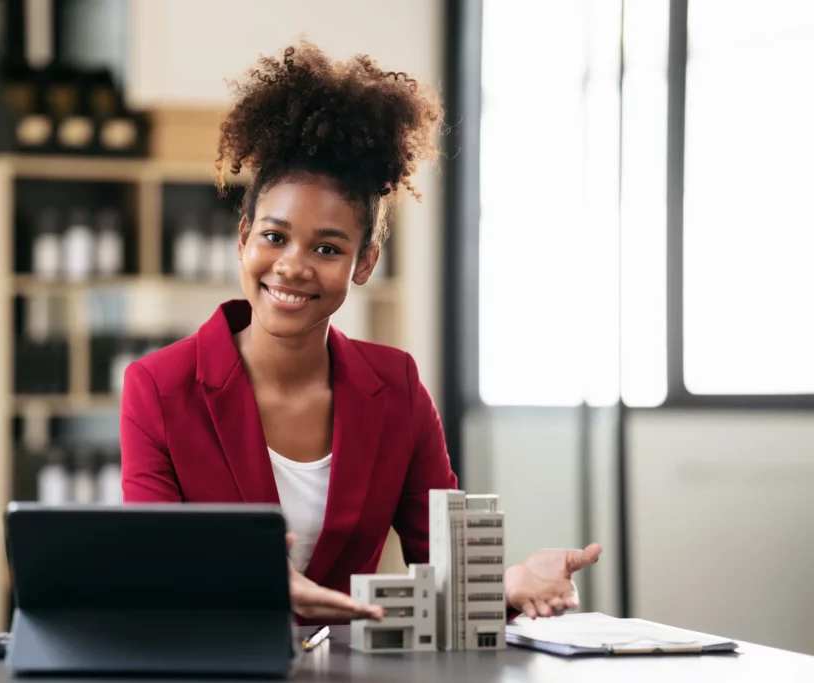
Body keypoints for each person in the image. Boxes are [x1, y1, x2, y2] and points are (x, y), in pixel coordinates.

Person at [121, 41, 601, 624]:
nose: (294, 265)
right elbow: (149, 567)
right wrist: (252, 585)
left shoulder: (394, 387)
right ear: (242, 237)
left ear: (365, 263)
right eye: (274, 236)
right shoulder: (160, 386)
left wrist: (513, 580)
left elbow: (444, 567)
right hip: (219, 663)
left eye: (327, 247)